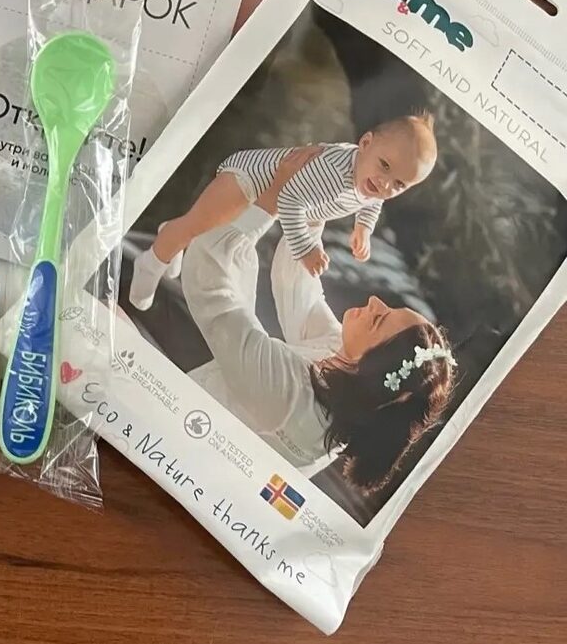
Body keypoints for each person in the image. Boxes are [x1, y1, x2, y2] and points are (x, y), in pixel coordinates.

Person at [178, 146, 456, 492]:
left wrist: (270, 201)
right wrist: (313, 200)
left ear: (373, 368)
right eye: (387, 307)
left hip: (175, 449)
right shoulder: (349, 386)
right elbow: (301, 295)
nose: (374, 302)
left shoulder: (291, 395)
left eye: (379, 319)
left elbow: (212, 290)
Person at [131, 112, 438, 309]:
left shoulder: (371, 180)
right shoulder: (333, 172)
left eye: (399, 184)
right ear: (366, 143)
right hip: (250, 179)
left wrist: (363, 228)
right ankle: (152, 261)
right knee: (198, 226)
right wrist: (305, 249)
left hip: (273, 192)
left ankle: (173, 237)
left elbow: (373, 202)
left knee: (208, 229)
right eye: (384, 166)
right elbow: (289, 201)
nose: (384, 184)